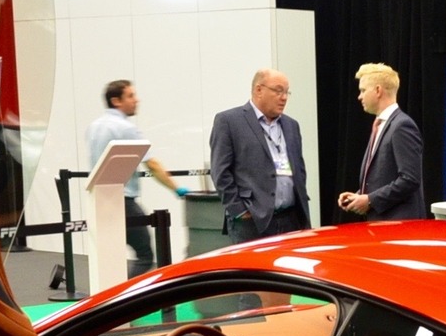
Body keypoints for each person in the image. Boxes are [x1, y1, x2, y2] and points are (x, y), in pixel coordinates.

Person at [86, 79, 186, 276]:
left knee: (107, 258)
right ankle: (126, 301)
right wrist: (176, 188)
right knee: (145, 256)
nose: (136, 100)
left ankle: (106, 301)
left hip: (97, 199)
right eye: (131, 96)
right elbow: (151, 163)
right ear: (116, 101)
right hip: (122, 200)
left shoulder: (94, 126)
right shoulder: (125, 128)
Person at [210, 68, 310, 241]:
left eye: (287, 92)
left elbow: (299, 170)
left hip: (291, 220)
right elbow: (220, 172)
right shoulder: (229, 121)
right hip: (252, 221)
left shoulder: (291, 125)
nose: (284, 97)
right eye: (278, 91)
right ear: (259, 90)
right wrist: (239, 210)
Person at [337, 62, 425, 220]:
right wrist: (360, 196)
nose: (359, 96)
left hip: (399, 225)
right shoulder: (382, 124)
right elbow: (383, 177)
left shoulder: (401, 126)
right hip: (384, 222)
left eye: (363, 90)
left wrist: (370, 200)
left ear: (378, 90)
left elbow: (410, 179)